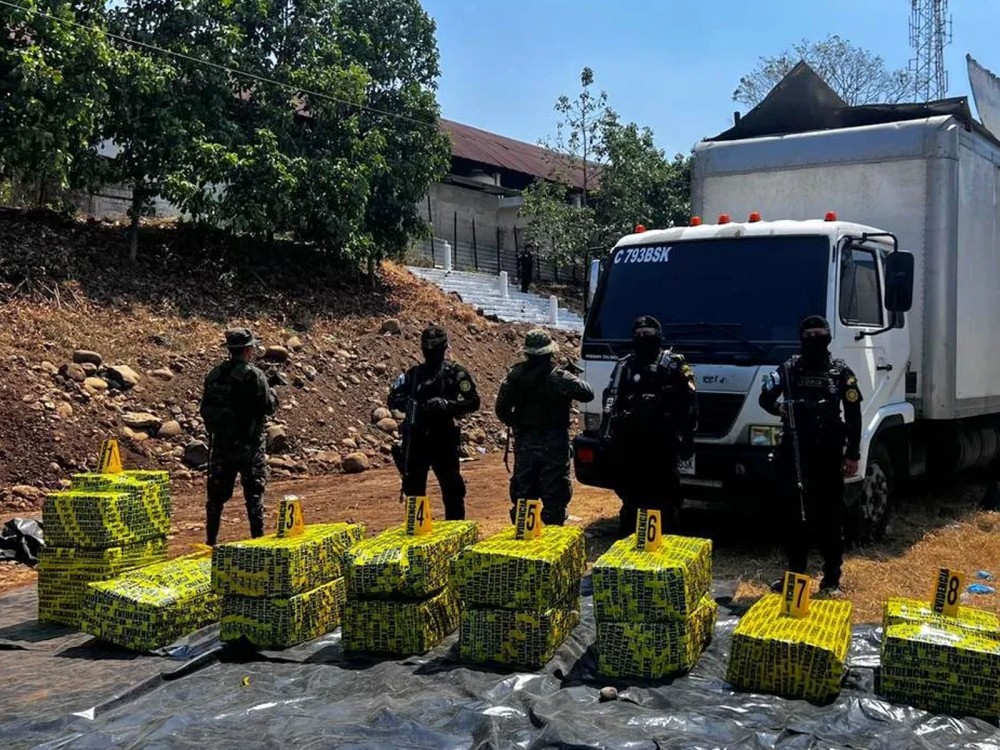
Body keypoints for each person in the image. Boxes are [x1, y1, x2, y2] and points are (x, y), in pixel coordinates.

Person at [759, 314, 862, 595]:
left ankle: (831, 580)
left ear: (828, 338)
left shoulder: (840, 372)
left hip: (828, 456)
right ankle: (795, 576)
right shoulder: (789, 369)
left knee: (830, 517)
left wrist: (853, 453)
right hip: (795, 455)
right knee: (794, 518)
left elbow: (854, 415)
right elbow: (765, 396)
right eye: (809, 336)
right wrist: (783, 410)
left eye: (820, 335)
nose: (815, 341)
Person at [601, 315, 698, 538]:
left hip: (662, 443)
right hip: (631, 443)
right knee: (631, 500)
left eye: (648, 336)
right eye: (639, 336)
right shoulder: (624, 365)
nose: (643, 340)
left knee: (665, 499)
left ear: (658, 338)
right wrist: (607, 433)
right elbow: (611, 399)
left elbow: (690, 403)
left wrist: (688, 437)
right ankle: (628, 547)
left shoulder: (674, 365)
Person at [495, 329, 595, 525]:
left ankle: (524, 542)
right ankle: (551, 545)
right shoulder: (559, 377)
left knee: (524, 498)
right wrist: (568, 377)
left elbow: (501, 410)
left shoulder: (515, 376)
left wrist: (519, 423)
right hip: (554, 445)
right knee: (554, 500)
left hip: (525, 444)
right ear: (549, 352)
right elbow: (587, 393)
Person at [388, 325, 480, 520]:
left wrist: (448, 405)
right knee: (414, 491)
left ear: (444, 348)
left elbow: (473, 401)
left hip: (443, 438)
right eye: (427, 348)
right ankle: (417, 533)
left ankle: (455, 531)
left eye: (434, 348)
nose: (430, 352)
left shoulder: (455, 373)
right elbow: (393, 399)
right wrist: (410, 405)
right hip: (416, 438)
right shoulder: (412, 375)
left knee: (452, 489)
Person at [199, 328, 279, 545]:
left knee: (215, 496)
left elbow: (205, 407)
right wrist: (273, 391)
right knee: (254, 495)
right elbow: (268, 407)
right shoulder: (254, 374)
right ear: (247, 350)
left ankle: (211, 541)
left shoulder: (215, 374)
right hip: (249, 444)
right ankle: (258, 541)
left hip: (221, 444)